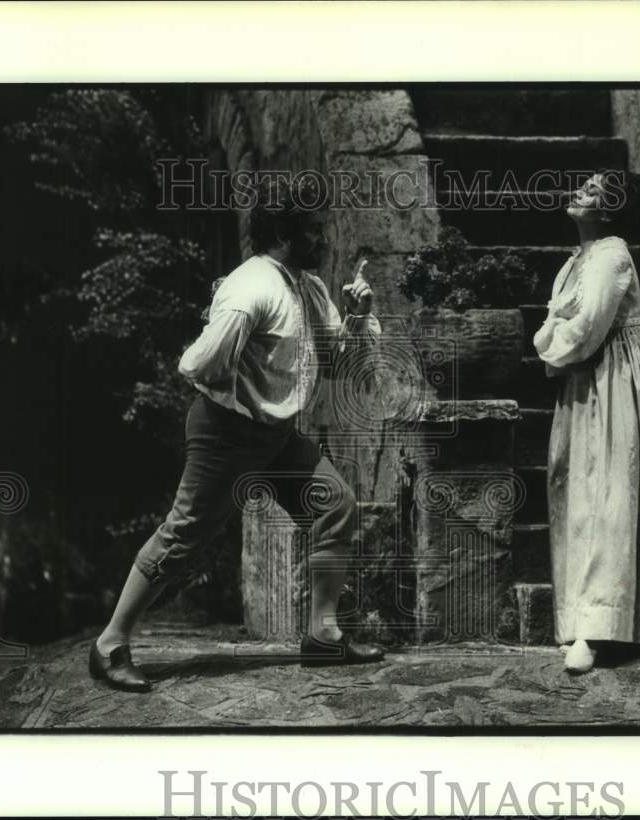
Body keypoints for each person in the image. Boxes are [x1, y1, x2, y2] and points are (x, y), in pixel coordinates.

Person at [88, 175, 384, 692]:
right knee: (184, 537)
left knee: (335, 504)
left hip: (275, 438)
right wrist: (239, 396)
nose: (324, 240)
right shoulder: (251, 289)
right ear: (286, 234)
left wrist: (359, 317)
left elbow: (342, 363)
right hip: (227, 433)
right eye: (314, 231)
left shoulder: (306, 286)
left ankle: (322, 634)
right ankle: (109, 645)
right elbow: (197, 364)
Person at [533, 171, 640, 674]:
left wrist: (549, 346)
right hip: (588, 380)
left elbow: (585, 328)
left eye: (590, 190)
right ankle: (589, 618)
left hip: (616, 377)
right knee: (584, 494)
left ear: (610, 210)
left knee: (614, 494)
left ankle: (601, 628)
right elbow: (560, 320)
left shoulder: (611, 254)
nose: (577, 192)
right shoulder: (577, 261)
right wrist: (556, 341)